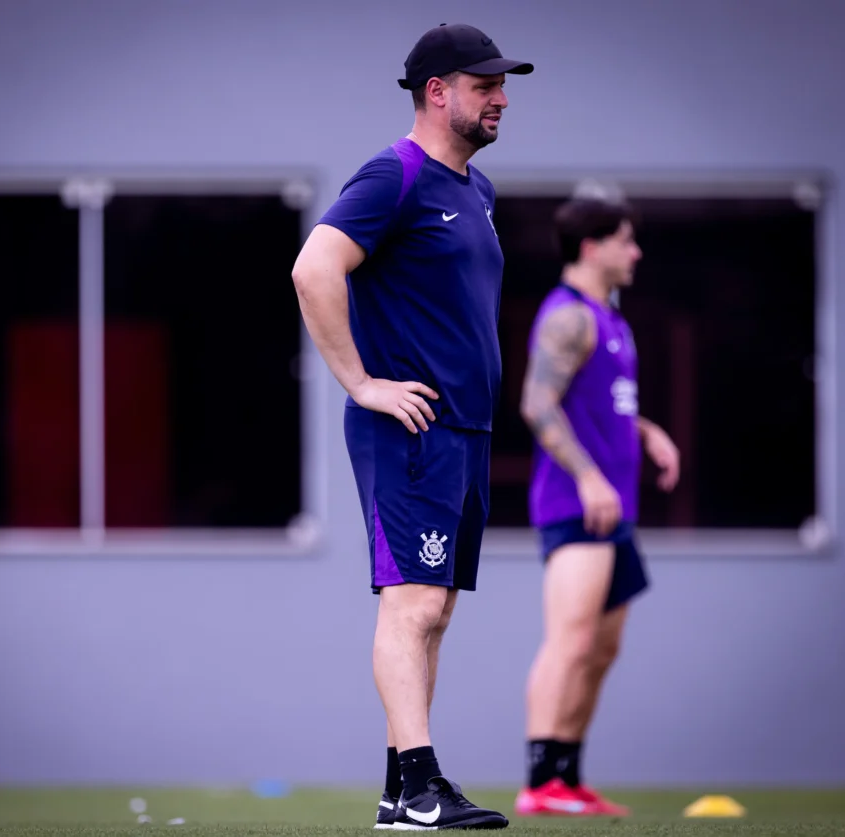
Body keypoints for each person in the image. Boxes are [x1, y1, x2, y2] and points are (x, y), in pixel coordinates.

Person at [291, 22, 532, 832]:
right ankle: (425, 787)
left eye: (502, 85)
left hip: (464, 432)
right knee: (412, 606)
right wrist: (361, 383)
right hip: (412, 431)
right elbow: (313, 268)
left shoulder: (476, 189)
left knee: (436, 611)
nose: (502, 99)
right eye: (485, 85)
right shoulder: (392, 175)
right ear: (437, 92)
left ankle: (403, 794)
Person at [514, 197, 681, 817]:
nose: (636, 253)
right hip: (576, 506)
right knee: (570, 640)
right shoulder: (569, 318)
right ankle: (539, 784)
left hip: (616, 510)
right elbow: (537, 404)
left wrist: (645, 430)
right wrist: (587, 478)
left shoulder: (611, 318)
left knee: (602, 648)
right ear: (592, 247)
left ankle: (568, 778)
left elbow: (599, 405)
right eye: (625, 241)